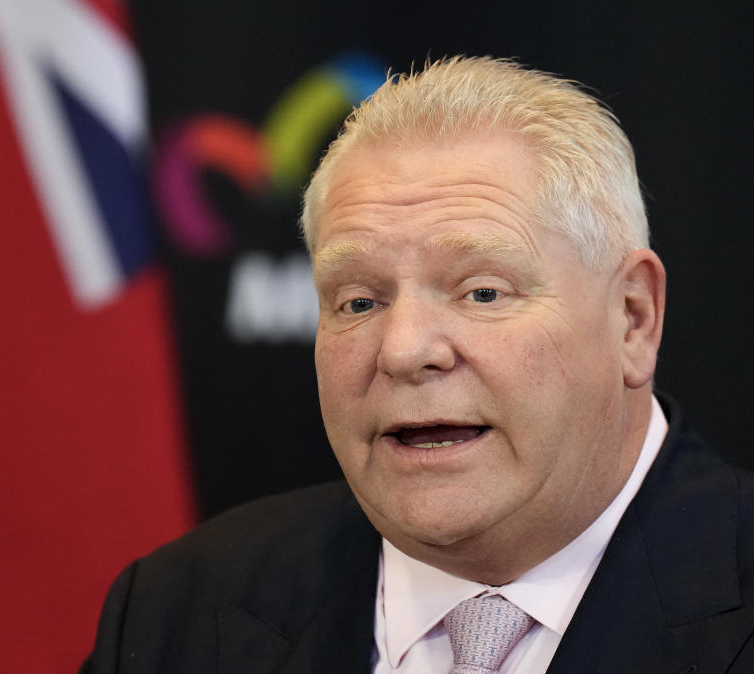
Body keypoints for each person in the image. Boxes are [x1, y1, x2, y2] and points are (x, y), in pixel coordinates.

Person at [80, 56, 754, 673]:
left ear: (632, 317)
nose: (403, 351)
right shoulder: (178, 613)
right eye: (359, 301)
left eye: (481, 292)